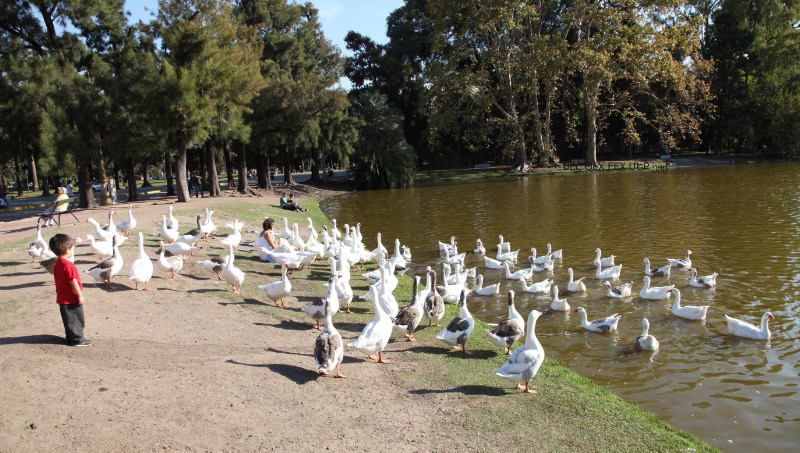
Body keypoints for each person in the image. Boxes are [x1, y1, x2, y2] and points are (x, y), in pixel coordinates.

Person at [49, 233, 92, 347]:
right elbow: (73, 281)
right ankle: (77, 339)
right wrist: (79, 295)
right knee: (76, 318)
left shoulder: (58, 263)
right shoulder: (68, 265)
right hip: (70, 298)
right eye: (73, 248)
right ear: (67, 250)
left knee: (68, 318)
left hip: (62, 297)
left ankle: (70, 337)